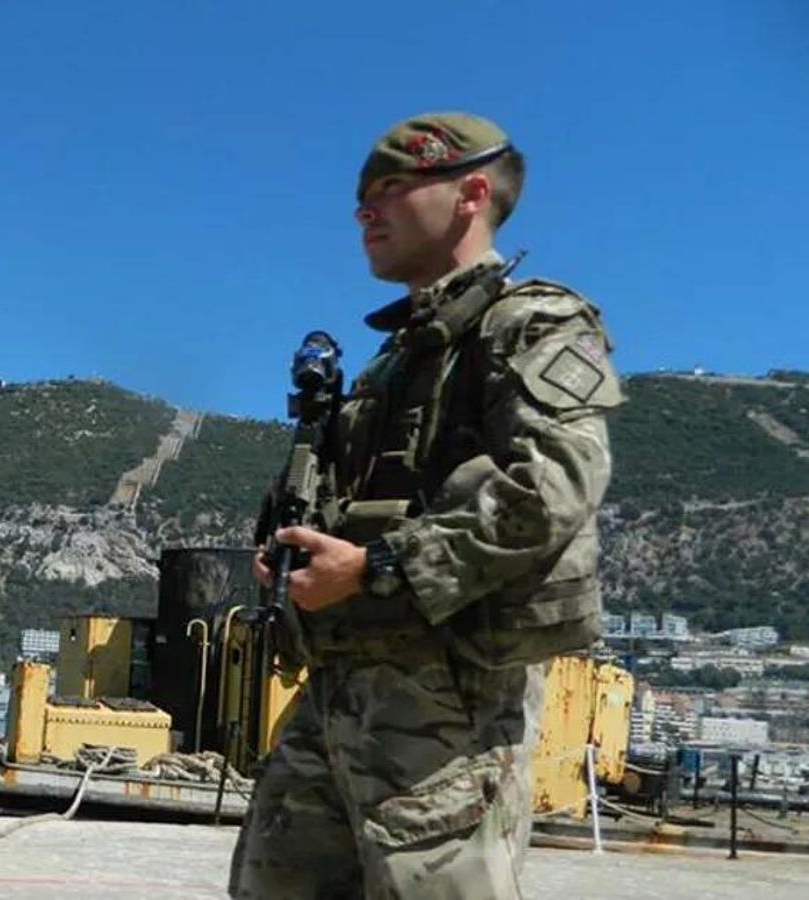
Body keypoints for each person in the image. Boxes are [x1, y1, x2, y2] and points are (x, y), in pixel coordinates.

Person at [229, 112, 622, 898]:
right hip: (341, 685)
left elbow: (554, 485)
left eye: (391, 189)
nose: (365, 212)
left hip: (449, 703)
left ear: (473, 192)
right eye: (362, 198)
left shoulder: (533, 322)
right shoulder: (401, 356)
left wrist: (374, 568)